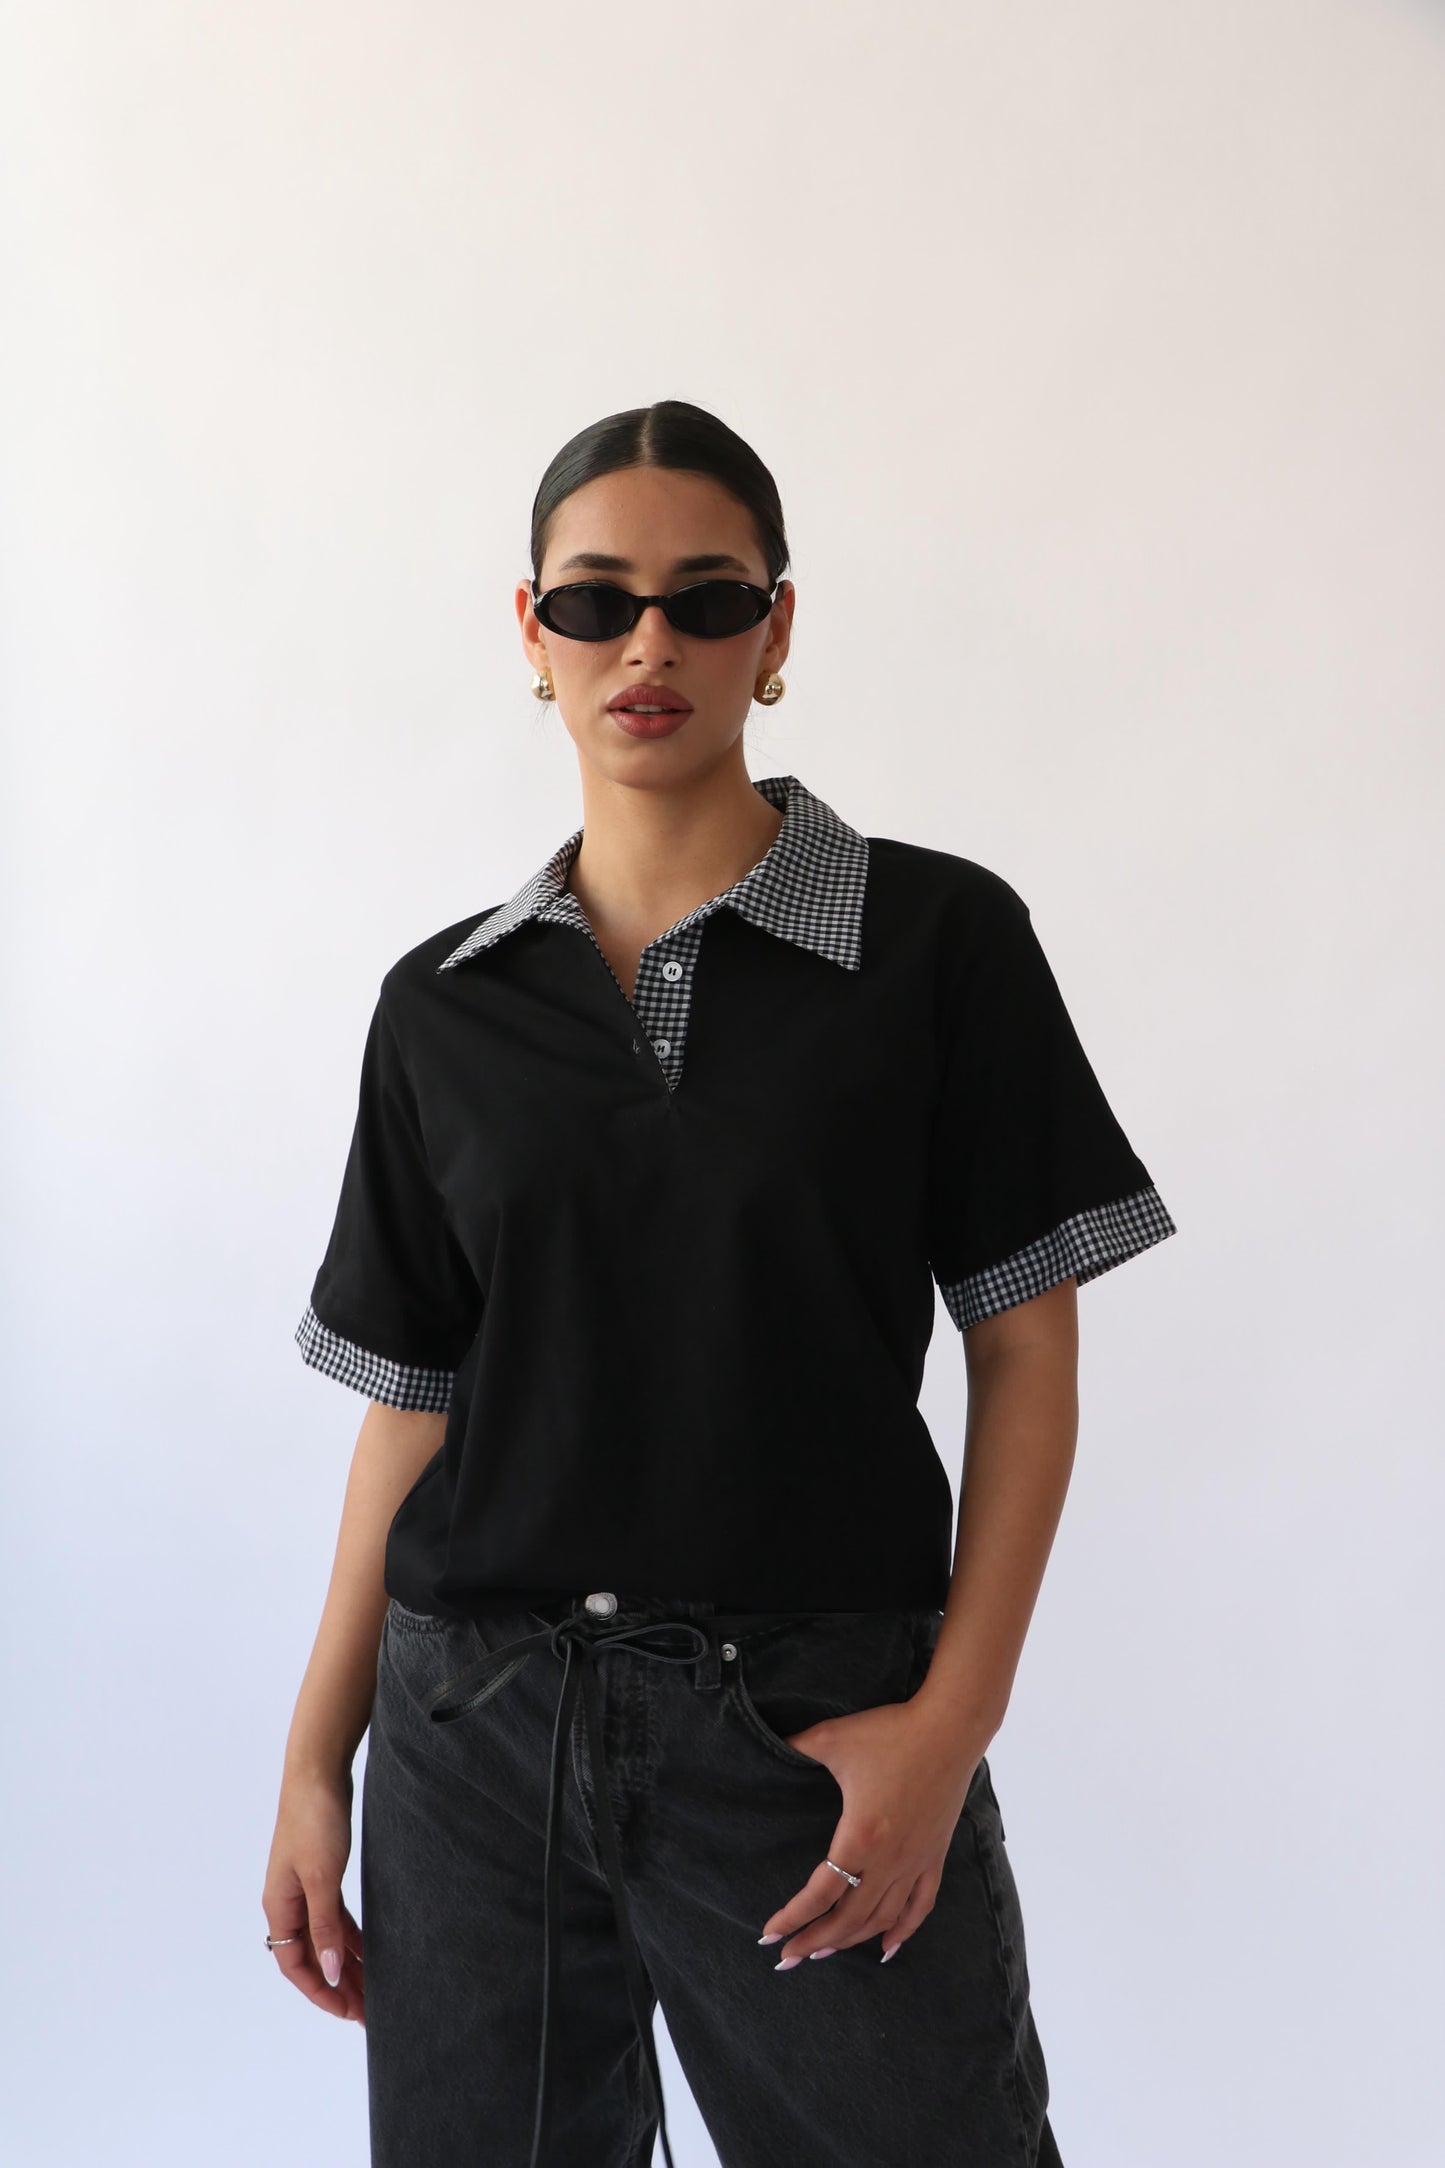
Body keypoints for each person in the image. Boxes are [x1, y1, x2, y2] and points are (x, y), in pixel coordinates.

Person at [262, 398, 1177, 2168]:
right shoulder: (442, 1005)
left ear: (777, 627)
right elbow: (410, 1416)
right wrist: (316, 1764)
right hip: (469, 1740)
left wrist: (949, 1729)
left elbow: (1025, 1353)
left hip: (808, 1729)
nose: (649, 644)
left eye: (706, 598)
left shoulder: (935, 942)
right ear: (532, 631)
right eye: (595, 601)